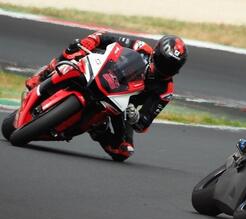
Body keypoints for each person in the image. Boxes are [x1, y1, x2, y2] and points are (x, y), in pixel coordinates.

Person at [24, 31, 188, 161]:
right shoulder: (140, 47)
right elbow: (105, 37)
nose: (164, 69)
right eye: (163, 62)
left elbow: (143, 124)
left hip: (121, 106)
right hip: (103, 74)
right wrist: (89, 42)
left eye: (170, 68)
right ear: (156, 52)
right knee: (73, 50)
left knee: (123, 151)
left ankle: (98, 130)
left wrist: (135, 117)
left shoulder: (165, 90)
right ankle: (43, 76)